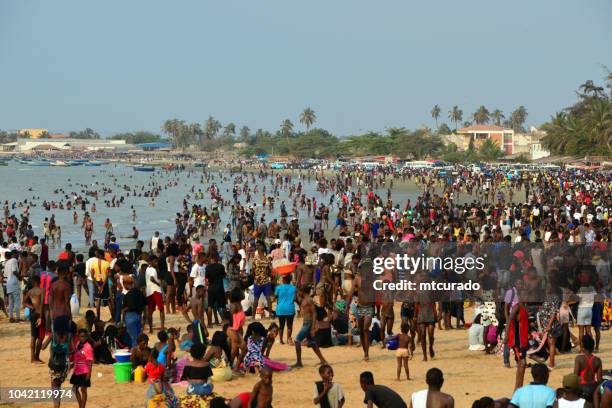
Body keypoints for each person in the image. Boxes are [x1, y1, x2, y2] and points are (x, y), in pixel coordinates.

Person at [294, 284, 327, 368]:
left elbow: (314, 313)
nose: (299, 293)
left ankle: (299, 362)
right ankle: (323, 360)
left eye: (300, 291)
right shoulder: (304, 299)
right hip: (306, 323)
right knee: (312, 343)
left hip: (309, 323)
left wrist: (313, 326)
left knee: (297, 341)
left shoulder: (309, 300)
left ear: (303, 292)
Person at [573, 335, 602, 401]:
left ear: (583, 346)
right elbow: (599, 380)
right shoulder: (597, 360)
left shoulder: (579, 359)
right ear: (593, 346)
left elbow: (575, 377)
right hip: (593, 387)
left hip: (582, 388)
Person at [23, 274, 44, 363]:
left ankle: (34, 358)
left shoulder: (30, 291)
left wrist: (31, 307)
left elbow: (24, 302)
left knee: (33, 336)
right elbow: (42, 304)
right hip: (39, 314)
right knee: (40, 337)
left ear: (33, 282)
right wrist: (41, 316)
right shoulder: (42, 290)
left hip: (33, 314)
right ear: (39, 282)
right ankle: (35, 357)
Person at [121, 276, 147, 347]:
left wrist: (123, 321)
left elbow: (125, 309)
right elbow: (145, 305)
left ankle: (134, 354)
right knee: (139, 338)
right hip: (139, 316)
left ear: (125, 284)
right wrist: (144, 317)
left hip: (130, 317)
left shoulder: (127, 295)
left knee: (133, 339)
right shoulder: (139, 292)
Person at [71, 328, 94, 408]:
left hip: (84, 371)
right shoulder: (77, 344)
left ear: (87, 337)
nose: (82, 338)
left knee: (83, 390)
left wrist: (89, 373)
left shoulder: (88, 347)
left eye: (84, 336)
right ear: (78, 337)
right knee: (74, 389)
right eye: (81, 336)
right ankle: (81, 406)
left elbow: (90, 361)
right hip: (77, 370)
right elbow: (76, 355)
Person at [274, 273, 296, 345]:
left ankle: (281, 340)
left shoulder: (278, 288)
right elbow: (295, 298)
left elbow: (275, 297)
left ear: (283, 280)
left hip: (281, 309)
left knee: (281, 325)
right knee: (289, 325)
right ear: (290, 280)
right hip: (290, 308)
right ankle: (288, 339)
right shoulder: (293, 288)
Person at [145, 255, 165, 333]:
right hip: (156, 290)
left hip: (149, 291)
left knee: (150, 310)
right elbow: (152, 278)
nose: (156, 263)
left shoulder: (147, 269)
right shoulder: (153, 269)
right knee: (161, 309)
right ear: (151, 261)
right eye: (155, 261)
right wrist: (159, 284)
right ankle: (162, 327)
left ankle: (150, 329)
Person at [4, 250, 21, 322]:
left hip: (8, 283)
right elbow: (14, 271)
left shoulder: (6, 262)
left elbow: (5, 274)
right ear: (14, 254)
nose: (18, 256)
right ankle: (18, 317)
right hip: (14, 282)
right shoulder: (14, 260)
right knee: (17, 301)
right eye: (17, 254)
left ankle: (11, 317)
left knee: (11, 302)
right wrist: (20, 277)